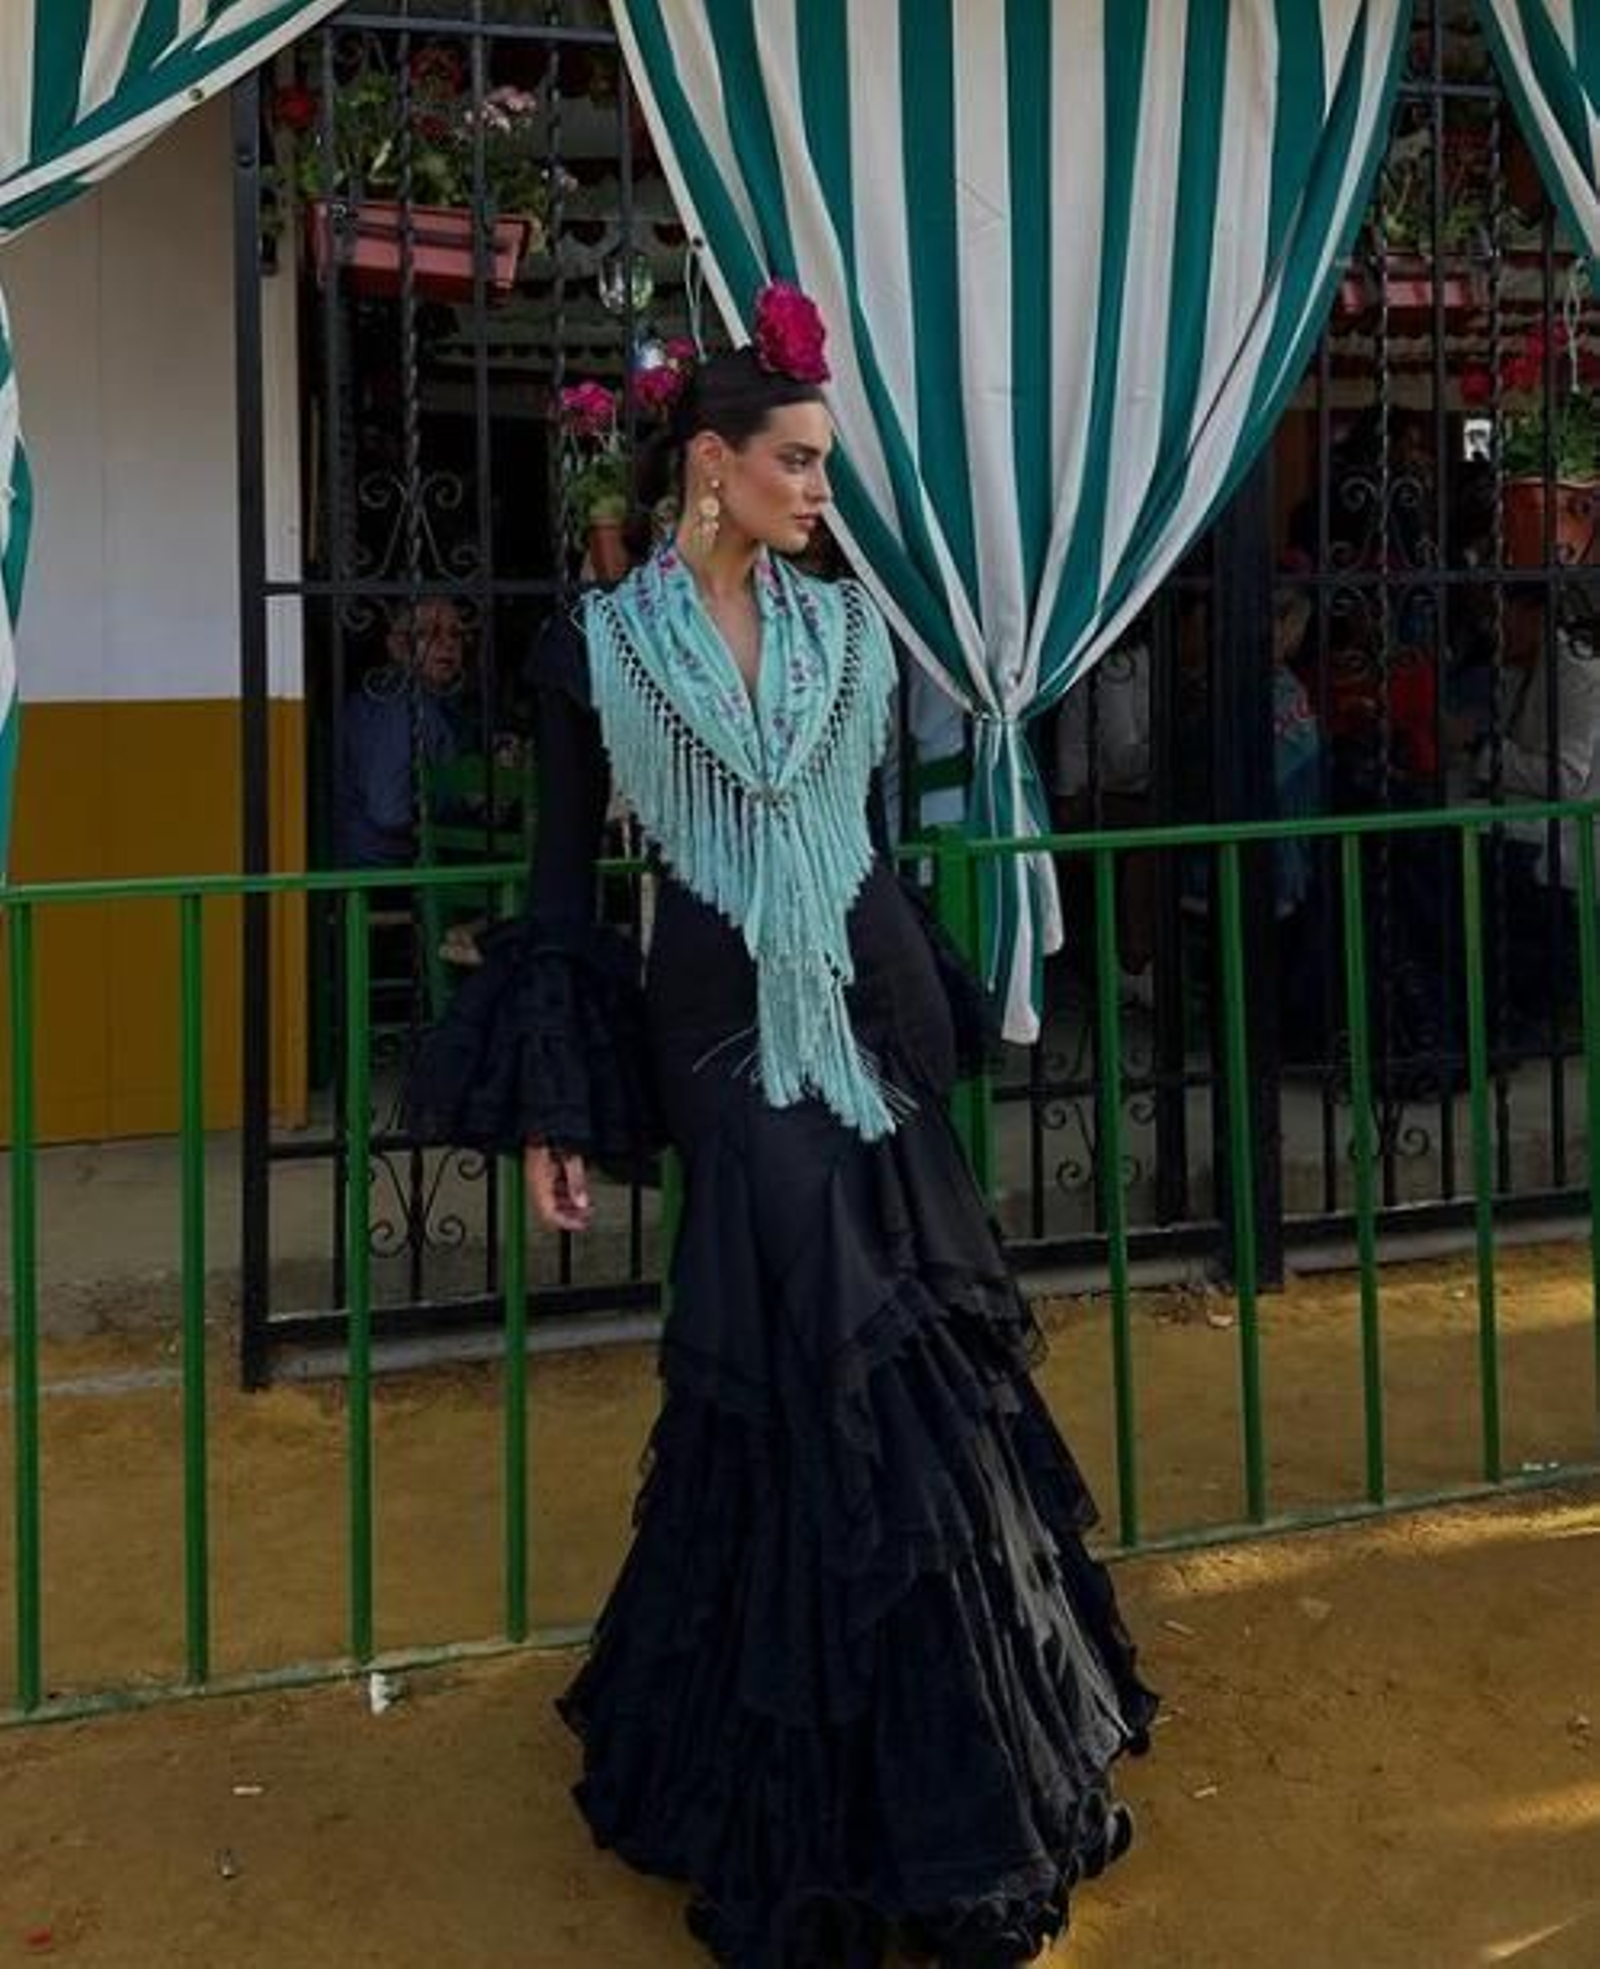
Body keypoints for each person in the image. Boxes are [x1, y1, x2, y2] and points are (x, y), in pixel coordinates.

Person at [408, 286, 1156, 1968]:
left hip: (862, 1019)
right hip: (716, 1037)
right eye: (799, 463)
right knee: (817, 1342)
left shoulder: (848, 636)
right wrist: (556, 1112)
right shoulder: (593, 649)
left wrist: (921, 1018)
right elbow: (559, 891)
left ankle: (935, 1771)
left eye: (824, 464)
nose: (821, 491)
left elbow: (870, 848)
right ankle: (810, 1792)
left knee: (892, 1358)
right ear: (714, 466)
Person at [332, 596, 469, 870]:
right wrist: (463, 800)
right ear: (396, 646)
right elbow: (390, 812)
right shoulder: (395, 706)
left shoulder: (425, 701)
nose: (448, 643)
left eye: (455, 633)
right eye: (427, 632)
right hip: (383, 864)